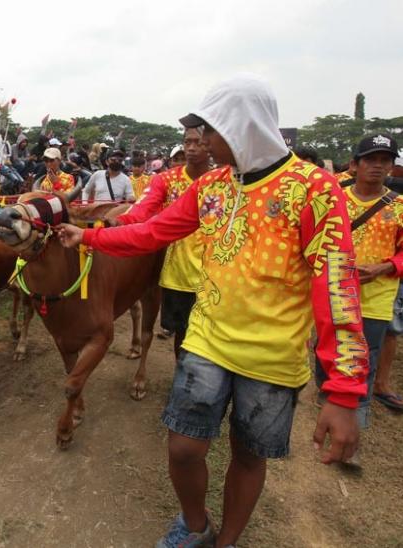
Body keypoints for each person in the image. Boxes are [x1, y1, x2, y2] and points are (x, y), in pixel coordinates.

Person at [56, 74, 367, 548]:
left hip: (272, 358)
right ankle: (195, 526)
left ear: (242, 126)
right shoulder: (213, 186)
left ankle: (227, 541)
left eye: (211, 131)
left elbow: (337, 288)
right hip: (207, 339)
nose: (202, 142)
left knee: (247, 455)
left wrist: (343, 392)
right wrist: (92, 236)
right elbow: (155, 231)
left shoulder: (314, 189)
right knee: (183, 447)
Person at [314, 134, 403, 426]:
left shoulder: (400, 206)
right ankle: (326, 392)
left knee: (365, 356)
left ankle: (355, 416)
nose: (378, 167)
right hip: (334, 291)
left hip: (376, 297)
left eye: (385, 161)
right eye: (371, 160)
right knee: (328, 349)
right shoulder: (334, 197)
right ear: (354, 164)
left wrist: (384, 267)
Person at [112, 127, 212, 357]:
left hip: (214, 274)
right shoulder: (165, 180)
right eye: (187, 142)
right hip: (178, 273)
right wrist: (116, 223)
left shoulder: (223, 180)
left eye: (198, 142)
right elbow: (141, 210)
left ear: (210, 144)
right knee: (182, 336)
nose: (191, 148)